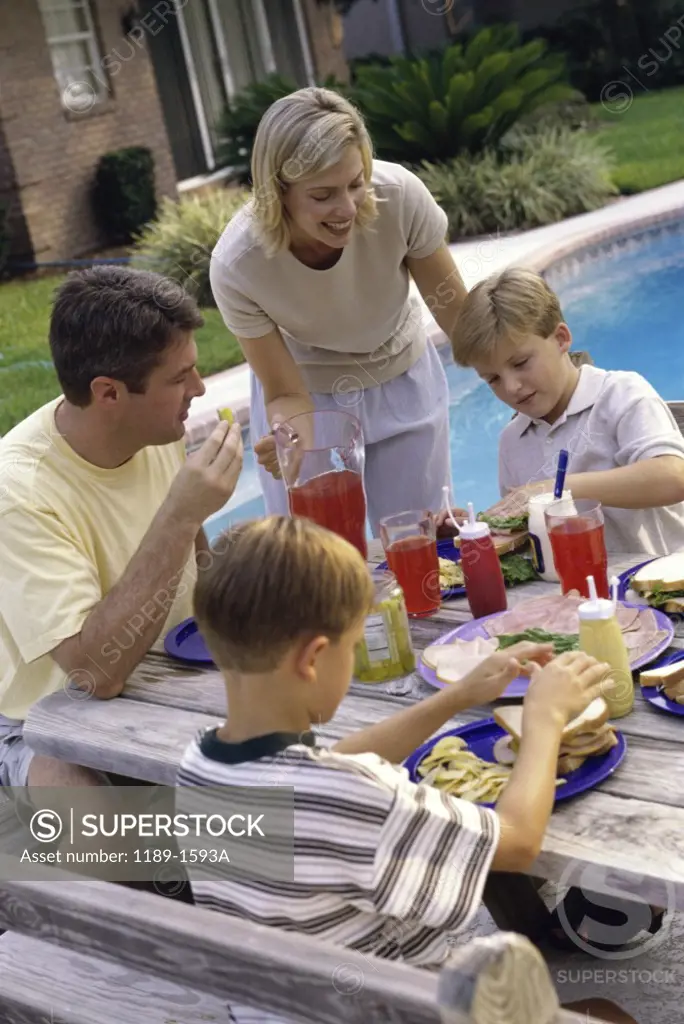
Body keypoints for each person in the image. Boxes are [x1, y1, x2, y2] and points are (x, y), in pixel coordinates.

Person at [176, 515, 637, 1024]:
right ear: (314, 659)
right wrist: (545, 719)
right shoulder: (350, 799)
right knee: (610, 1015)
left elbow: (335, 764)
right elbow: (519, 841)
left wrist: (458, 696)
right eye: (352, 648)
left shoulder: (201, 763)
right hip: (401, 1009)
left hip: (281, 1007)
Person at [0, 266, 244, 790]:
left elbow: (197, 569)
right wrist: (179, 514)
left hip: (164, 673)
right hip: (44, 719)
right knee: (105, 829)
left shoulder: (155, 430)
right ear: (108, 393)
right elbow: (94, 675)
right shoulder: (17, 492)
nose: (199, 389)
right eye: (180, 378)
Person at [209, 86, 467, 535]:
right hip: (307, 394)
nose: (347, 207)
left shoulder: (399, 197)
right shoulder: (239, 263)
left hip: (402, 376)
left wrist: (526, 372)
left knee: (421, 547)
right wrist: (291, 440)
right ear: (278, 191)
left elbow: (460, 318)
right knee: (313, 568)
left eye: (355, 183)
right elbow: (285, 394)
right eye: (323, 194)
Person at [447, 266, 684, 554]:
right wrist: (477, 528)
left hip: (659, 586)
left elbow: (673, 477)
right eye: (493, 379)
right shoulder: (513, 440)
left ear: (560, 338)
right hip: (575, 593)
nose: (511, 387)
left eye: (520, 363)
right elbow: (528, 538)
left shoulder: (620, 394)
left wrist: (555, 488)